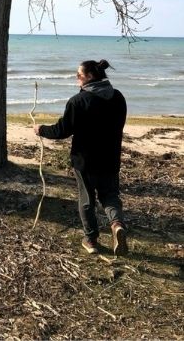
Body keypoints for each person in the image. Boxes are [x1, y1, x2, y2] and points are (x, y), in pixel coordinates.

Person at [34, 59, 128, 256]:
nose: (77, 78)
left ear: (90, 77)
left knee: (87, 199)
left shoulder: (78, 101)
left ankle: (91, 239)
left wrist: (41, 129)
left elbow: (62, 130)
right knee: (109, 195)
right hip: (110, 158)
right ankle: (117, 224)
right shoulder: (118, 98)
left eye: (79, 75)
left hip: (85, 160)